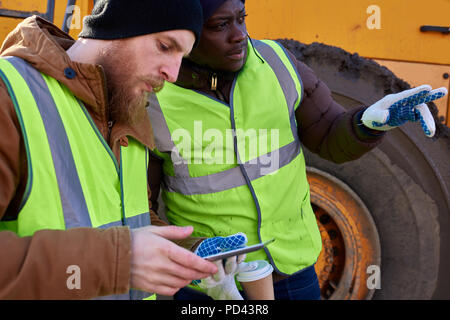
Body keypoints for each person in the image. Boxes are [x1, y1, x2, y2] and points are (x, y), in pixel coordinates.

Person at [147, 0, 448, 300]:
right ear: (185, 32)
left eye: (242, 18)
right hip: (211, 284)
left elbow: (329, 134)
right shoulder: (152, 99)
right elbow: (136, 211)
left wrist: (366, 125)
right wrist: (195, 250)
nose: (239, 34)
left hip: (293, 274)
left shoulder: (277, 65)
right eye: (221, 25)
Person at [0, 0, 224, 300]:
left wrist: (193, 256)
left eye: (182, 56)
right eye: (165, 46)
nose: (172, 73)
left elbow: (129, 220)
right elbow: (118, 252)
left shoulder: (129, 110)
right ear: (118, 27)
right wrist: (115, 263)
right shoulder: (10, 95)